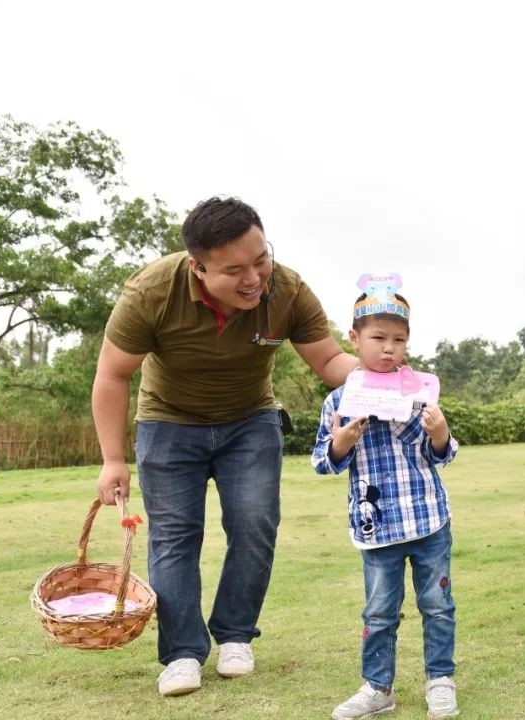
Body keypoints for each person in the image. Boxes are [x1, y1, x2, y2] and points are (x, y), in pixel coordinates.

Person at [92, 196, 357, 696]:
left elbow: (328, 361)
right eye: (234, 270)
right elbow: (112, 374)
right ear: (198, 267)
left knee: (255, 523)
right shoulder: (151, 292)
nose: (254, 278)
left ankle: (236, 635)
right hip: (168, 423)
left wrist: (377, 374)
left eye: (261, 259)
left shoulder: (288, 289)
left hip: (250, 420)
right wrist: (111, 459)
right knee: (174, 537)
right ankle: (182, 654)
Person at [311, 283, 460, 720]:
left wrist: (439, 433)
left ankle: (440, 680)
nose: (389, 349)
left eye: (398, 340)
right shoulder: (339, 401)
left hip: (428, 519)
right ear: (354, 339)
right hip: (376, 526)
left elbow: (443, 454)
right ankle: (379, 687)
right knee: (379, 612)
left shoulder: (420, 391)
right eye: (378, 338)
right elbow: (323, 461)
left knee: (437, 605)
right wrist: (340, 443)